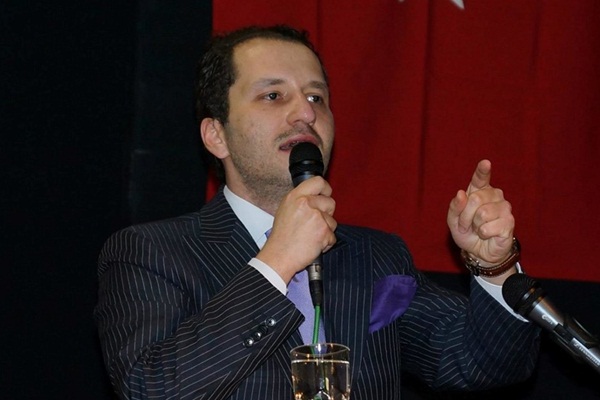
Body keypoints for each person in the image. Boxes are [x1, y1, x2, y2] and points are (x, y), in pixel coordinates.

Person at [95, 25, 539, 399]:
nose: (304, 114)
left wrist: (494, 266)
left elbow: (481, 364)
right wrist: (277, 262)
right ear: (216, 135)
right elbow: (150, 387)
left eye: (316, 98)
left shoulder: (377, 257)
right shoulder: (152, 253)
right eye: (273, 95)